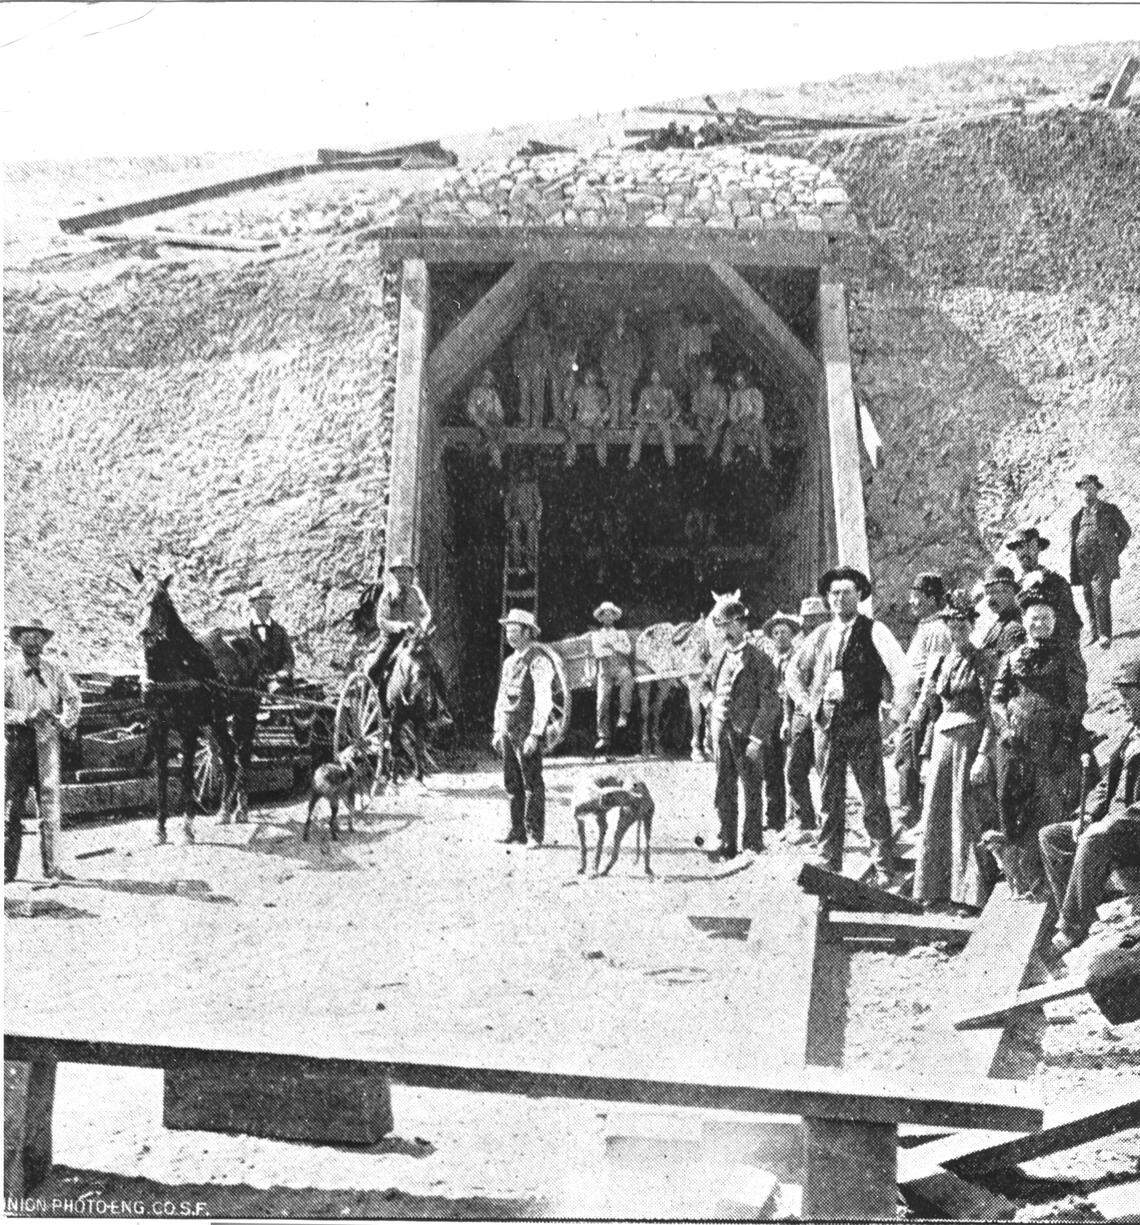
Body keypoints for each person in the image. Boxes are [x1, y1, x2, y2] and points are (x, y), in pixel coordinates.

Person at [787, 566, 909, 882]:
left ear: (859, 596)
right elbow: (792, 674)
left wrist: (895, 717)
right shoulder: (819, 635)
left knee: (872, 796)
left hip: (862, 724)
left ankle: (883, 865)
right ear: (828, 599)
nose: (840, 598)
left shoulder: (875, 630)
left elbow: (903, 675)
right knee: (829, 796)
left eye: (847, 593)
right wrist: (808, 706)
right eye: (834, 593)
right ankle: (829, 860)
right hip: (826, 727)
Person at [989, 581, 1088, 898]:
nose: (1040, 623)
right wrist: (1005, 729)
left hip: (1054, 744)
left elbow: (1077, 701)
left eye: (1047, 618)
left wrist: (1066, 739)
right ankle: (1023, 877)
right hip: (1017, 746)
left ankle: (1054, 883)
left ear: (1055, 622)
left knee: (1051, 807)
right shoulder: (1011, 657)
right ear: (1025, 620)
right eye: (1034, 618)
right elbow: (997, 698)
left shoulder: (1067, 655)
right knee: (1014, 804)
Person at [1040, 655, 1140, 954]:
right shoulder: (1131, 734)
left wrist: (1107, 823)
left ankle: (1070, 928)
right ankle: (1083, 915)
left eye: (1129, 697)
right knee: (1053, 836)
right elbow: (1104, 785)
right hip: (1117, 827)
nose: (1123, 705)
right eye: (1121, 698)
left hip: (1132, 828)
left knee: (1095, 837)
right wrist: (1084, 815)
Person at [912, 599, 990, 910]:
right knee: (935, 811)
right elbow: (932, 713)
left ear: (971, 626)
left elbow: (990, 712)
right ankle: (934, 888)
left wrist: (984, 753)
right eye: (952, 627)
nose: (957, 632)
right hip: (943, 740)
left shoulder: (982, 660)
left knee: (964, 812)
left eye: (962, 626)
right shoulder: (940, 661)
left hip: (969, 740)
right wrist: (926, 753)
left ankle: (969, 894)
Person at [701, 600, 782, 859]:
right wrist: (710, 702)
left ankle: (752, 843)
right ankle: (727, 842)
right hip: (721, 733)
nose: (724, 631)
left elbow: (771, 702)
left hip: (748, 736)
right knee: (724, 788)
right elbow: (703, 685)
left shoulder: (759, 660)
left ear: (742, 624)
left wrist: (757, 738)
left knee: (751, 789)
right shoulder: (718, 658)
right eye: (721, 626)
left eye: (728, 625)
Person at [5, 617, 82, 883]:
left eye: (38, 636)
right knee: (12, 807)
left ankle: (52, 869)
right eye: (28, 635)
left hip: (47, 744)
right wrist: (25, 716)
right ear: (19, 640)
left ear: (44, 641)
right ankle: (7, 871)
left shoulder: (55, 670)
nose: (33, 640)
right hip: (17, 743)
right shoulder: (8, 671)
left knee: (49, 806)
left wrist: (64, 722)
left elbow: (73, 697)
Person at [895, 572, 953, 831]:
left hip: (928, 703)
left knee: (912, 757)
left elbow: (933, 673)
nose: (911, 601)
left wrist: (919, 710)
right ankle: (913, 816)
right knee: (907, 757)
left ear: (931, 599)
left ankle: (913, 817)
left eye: (917, 597)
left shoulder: (938, 629)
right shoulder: (926, 626)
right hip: (915, 700)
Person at [493, 609, 555, 847]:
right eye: (508, 629)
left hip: (527, 731)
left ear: (528, 632)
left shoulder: (538, 660)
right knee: (512, 782)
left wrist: (535, 733)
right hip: (508, 731)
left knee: (532, 782)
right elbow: (501, 698)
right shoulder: (509, 662)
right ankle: (517, 830)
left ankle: (534, 834)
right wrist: (498, 729)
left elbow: (544, 700)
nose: (509, 634)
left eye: (515, 629)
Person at [783, 595, 830, 844]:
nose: (812, 625)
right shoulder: (799, 646)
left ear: (825, 618)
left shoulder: (833, 638)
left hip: (828, 712)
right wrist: (793, 713)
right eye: (808, 621)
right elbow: (791, 680)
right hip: (803, 712)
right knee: (794, 769)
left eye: (816, 619)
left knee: (827, 770)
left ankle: (830, 824)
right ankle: (805, 820)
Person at [1069, 474, 1131, 649]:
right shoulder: (1077, 517)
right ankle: (1094, 633)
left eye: (1090, 487)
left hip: (1102, 561)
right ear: (1079, 492)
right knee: (1088, 595)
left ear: (1097, 489)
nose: (1086, 491)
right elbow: (1074, 541)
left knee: (1100, 594)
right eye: (1083, 488)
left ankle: (1104, 634)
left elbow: (1125, 531)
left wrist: (1113, 550)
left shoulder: (1110, 510)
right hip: (1083, 562)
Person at [368, 555, 433, 711]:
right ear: (394, 574)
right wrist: (401, 626)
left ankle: (440, 709)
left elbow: (427, 613)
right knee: (374, 668)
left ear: (410, 574)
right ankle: (376, 702)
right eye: (399, 572)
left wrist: (422, 625)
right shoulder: (387, 594)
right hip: (392, 640)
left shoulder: (416, 592)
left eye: (406, 572)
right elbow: (381, 621)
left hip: (413, 639)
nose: (403, 576)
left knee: (434, 667)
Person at [759, 611, 802, 838]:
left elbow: (790, 692)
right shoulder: (769, 659)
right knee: (771, 767)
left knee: (793, 767)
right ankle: (774, 818)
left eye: (784, 632)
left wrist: (787, 718)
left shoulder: (797, 658)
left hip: (793, 716)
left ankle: (799, 818)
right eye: (775, 633)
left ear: (792, 635)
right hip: (771, 718)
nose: (780, 637)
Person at [1004, 526, 1082, 648]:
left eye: (1030, 545)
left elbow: (1073, 624)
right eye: (1019, 547)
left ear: (1039, 548)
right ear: (1015, 552)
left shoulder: (1056, 582)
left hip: (1059, 652)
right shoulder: (1014, 590)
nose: (1025, 552)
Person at [590, 602, 634, 755]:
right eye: (604, 614)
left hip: (620, 667)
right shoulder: (596, 635)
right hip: (605, 671)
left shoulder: (621, 634)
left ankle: (623, 714)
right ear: (600, 618)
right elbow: (598, 653)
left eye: (610, 614)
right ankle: (603, 736)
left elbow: (627, 650)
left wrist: (612, 646)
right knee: (601, 701)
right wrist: (613, 648)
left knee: (628, 677)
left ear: (614, 617)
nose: (607, 616)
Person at [599, 308, 643, 428]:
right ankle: (614, 423)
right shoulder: (609, 335)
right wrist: (606, 373)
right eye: (618, 314)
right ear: (614, 317)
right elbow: (604, 355)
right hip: (613, 371)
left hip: (628, 371)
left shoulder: (633, 335)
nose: (620, 317)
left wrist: (635, 371)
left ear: (625, 317)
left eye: (622, 314)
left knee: (626, 398)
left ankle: (626, 423)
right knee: (614, 398)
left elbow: (638, 355)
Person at [247, 585, 295, 691]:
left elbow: (289, 658)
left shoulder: (280, 631)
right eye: (260, 604)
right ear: (252, 605)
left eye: (267, 604)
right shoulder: (244, 631)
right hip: (251, 686)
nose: (264, 608)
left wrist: (283, 672)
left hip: (278, 683)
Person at [629, 368, 680, 467]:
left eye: (657, 376)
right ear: (651, 378)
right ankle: (633, 460)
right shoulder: (645, 392)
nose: (656, 378)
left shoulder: (667, 392)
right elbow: (640, 410)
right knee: (638, 432)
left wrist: (672, 419)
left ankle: (671, 461)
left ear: (661, 378)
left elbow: (676, 409)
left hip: (662, 420)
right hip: (648, 420)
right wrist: (637, 418)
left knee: (667, 433)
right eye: (654, 376)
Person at [512, 309, 552, 428]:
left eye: (533, 317)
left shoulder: (541, 333)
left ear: (536, 318)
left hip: (537, 367)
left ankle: (536, 422)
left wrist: (545, 368)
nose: (531, 319)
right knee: (524, 395)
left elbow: (546, 352)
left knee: (537, 395)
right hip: (524, 367)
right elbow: (515, 351)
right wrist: (516, 365)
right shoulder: (521, 333)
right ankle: (524, 420)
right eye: (529, 317)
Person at [565, 366, 611, 467]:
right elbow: (570, 403)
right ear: (585, 377)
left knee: (600, 434)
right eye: (588, 375)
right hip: (581, 420)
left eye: (593, 376)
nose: (590, 378)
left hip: (595, 420)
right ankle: (570, 458)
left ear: (596, 378)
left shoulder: (601, 392)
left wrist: (602, 418)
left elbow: (606, 410)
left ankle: (602, 460)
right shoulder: (579, 390)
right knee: (571, 429)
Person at [724, 371, 771, 468]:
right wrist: (738, 421)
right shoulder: (735, 395)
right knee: (728, 433)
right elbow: (731, 413)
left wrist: (753, 421)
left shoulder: (755, 393)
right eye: (738, 382)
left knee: (762, 433)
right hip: (740, 421)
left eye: (742, 381)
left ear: (746, 380)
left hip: (754, 421)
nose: (740, 384)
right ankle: (726, 460)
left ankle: (766, 462)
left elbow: (760, 411)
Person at [465, 368, 506, 467]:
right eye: (486, 378)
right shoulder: (475, 392)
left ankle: (495, 455)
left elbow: (499, 410)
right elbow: (471, 410)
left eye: (490, 378)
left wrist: (498, 417)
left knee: (502, 433)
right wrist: (478, 419)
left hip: (492, 422)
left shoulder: (492, 393)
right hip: (480, 422)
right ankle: (496, 457)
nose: (487, 380)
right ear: (482, 379)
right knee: (488, 433)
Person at [691, 364, 729, 460]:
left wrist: (717, 420)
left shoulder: (719, 389)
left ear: (713, 375)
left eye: (710, 374)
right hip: (703, 418)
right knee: (703, 425)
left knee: (715, 429)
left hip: (716, 418)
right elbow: (694, 407)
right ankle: (709, 454)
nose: (709, 376)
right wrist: (702, 412)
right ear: (704, 374)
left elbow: (723, 408)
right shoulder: (699, 389)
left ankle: (708, 455)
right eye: (707, 374)